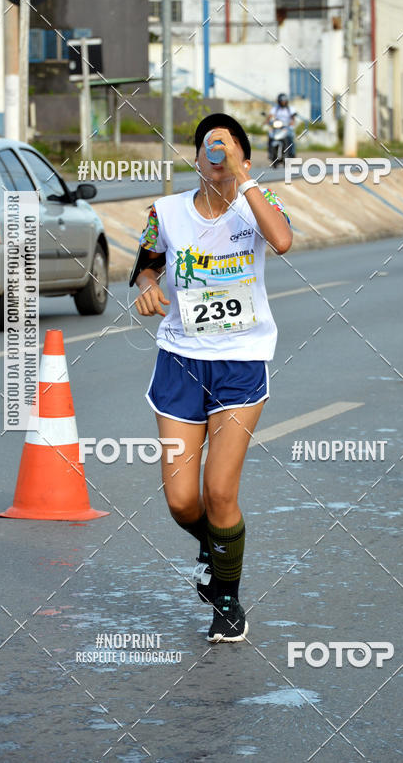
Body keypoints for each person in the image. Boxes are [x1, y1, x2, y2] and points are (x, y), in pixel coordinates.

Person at [132, 113, 292, 641]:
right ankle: (214, 546)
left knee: (219, 489)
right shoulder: (167, 211)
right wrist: (149, 285)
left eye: (226, 146)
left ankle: (227, 601)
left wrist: (244, 180)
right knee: (182, 500)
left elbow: (284, 241)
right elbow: (147, 262)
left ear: (243, 156)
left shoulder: (257, 206)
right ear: (195, 157)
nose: (215, 154)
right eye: (207, 146)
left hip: (241, 360)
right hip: (179, 359)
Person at [267, 92, 297, 157]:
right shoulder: (275, 108)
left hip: (287, 127)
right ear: (279, 101)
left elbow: (293, 118)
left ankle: (292, 153)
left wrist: (292, 122)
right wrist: (267, 122)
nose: (283, 102)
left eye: (284, 101)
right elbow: (270, 116)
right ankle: (270, 152)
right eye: (281, 101)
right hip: (277, 127)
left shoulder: (290, 109)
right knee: (270, 136)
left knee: (290, 137)